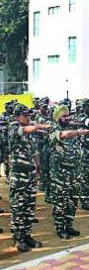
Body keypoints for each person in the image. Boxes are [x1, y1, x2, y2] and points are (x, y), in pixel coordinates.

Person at [9, 104, 50, 252]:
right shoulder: (13, 127)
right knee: (18, 207)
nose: (28, 117)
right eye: (25, 115)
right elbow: (25, 130)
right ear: (17, 116)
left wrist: (37, 166)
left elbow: (34, 152)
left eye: (29, 115)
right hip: (19, 175)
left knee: (29, 207)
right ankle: (18, 238)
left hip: (30, 174)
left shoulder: (30, 132)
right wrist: (41, 126)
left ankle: (27, 235)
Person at [49, 105, 89, 239]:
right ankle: (60, 228)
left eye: (68, 115)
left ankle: (68, 224)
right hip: (60, 175)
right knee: (60, 202)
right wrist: (79, 132)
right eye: (64, 116)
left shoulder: (72, 129)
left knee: (72, 201)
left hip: (75, 173)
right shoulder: (53, 129)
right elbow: (62, 135)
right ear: (58, 118)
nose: (67, 118)